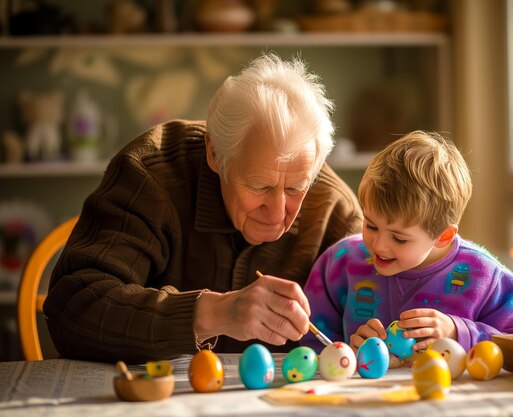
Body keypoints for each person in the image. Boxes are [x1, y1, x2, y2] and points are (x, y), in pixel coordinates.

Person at [44, 53, 363, 363]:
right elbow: (73, 307)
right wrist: (212, 313)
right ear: (214, 152)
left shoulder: (335, 209)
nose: (278, 213)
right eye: (259, 186)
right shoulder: (151, 174)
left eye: (295, 188)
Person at [301, 131, 513, 355]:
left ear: (443, 236)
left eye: (399, 238)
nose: (379, 246)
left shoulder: (486, 278)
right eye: (371, 225)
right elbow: (308, 345)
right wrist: (346, 352)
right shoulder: (341, 263)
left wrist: (458, 333)